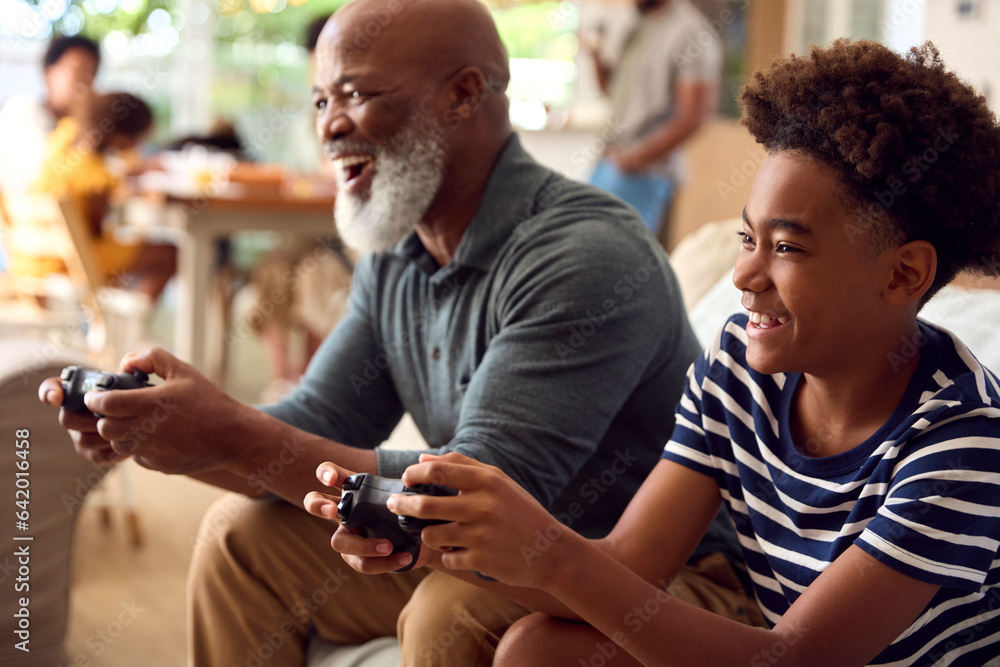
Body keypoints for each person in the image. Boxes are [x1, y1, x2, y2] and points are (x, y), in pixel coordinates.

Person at [37, 0, 753, 664]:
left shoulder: (583, 254)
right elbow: (313, 425)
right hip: (495, 558)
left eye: (356, 93)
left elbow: (473, 497)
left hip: (652, 574)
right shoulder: (398, 254)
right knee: (241, 536)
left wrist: (229, 432)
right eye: (321, 100)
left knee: (455, 605)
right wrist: (169, 432)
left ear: (465, 94)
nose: (328, 125)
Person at [318, 39, 1000, 666]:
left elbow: (795, 658)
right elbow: (630, 565)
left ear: (904, 274)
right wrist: (427, 536)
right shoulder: (739, 370)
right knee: (540, 649)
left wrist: (550, 550)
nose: (744, 276)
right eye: (746, 239)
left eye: (787, 247)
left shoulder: (962, 442)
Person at [585, 0, 720, 235]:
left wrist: (635, 158)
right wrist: (594, 53)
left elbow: (694, 116)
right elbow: (613, 91)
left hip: (645, 172)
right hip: (609, 162)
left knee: (622, 258)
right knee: (586, 244)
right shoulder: (638, 25)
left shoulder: (691, 33)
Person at [29, 92, 176, 301]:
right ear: (123, 137)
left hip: (33, 258)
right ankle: (130, 324)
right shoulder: (97, 177)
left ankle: (115, 318)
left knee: (136, 249)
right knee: (168, 254)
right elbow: (97, 229)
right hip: (71, 261)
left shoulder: (62, 140)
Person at [0, 35, 100, 194]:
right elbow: (46, 170)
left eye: (92, 73)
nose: (86, 80)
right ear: (49, 73)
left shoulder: (76, 125)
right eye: (79, 70)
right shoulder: (23, 109)